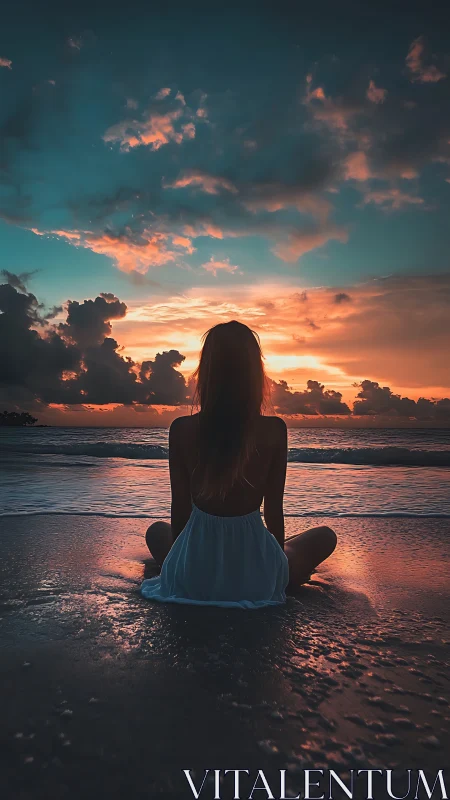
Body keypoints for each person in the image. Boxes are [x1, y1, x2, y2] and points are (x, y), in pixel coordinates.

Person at [140, 321, 336, 609]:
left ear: (206, 373)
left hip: (194, 571)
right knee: (324, 536)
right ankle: (270, 557)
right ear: (255, 373)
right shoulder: (273, 429)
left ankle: (204, 568)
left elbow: (180, 510)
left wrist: (180, 566)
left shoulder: (181, 429)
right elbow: (273, 511)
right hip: (254, 572)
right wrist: (275, 569)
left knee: (157, 530)